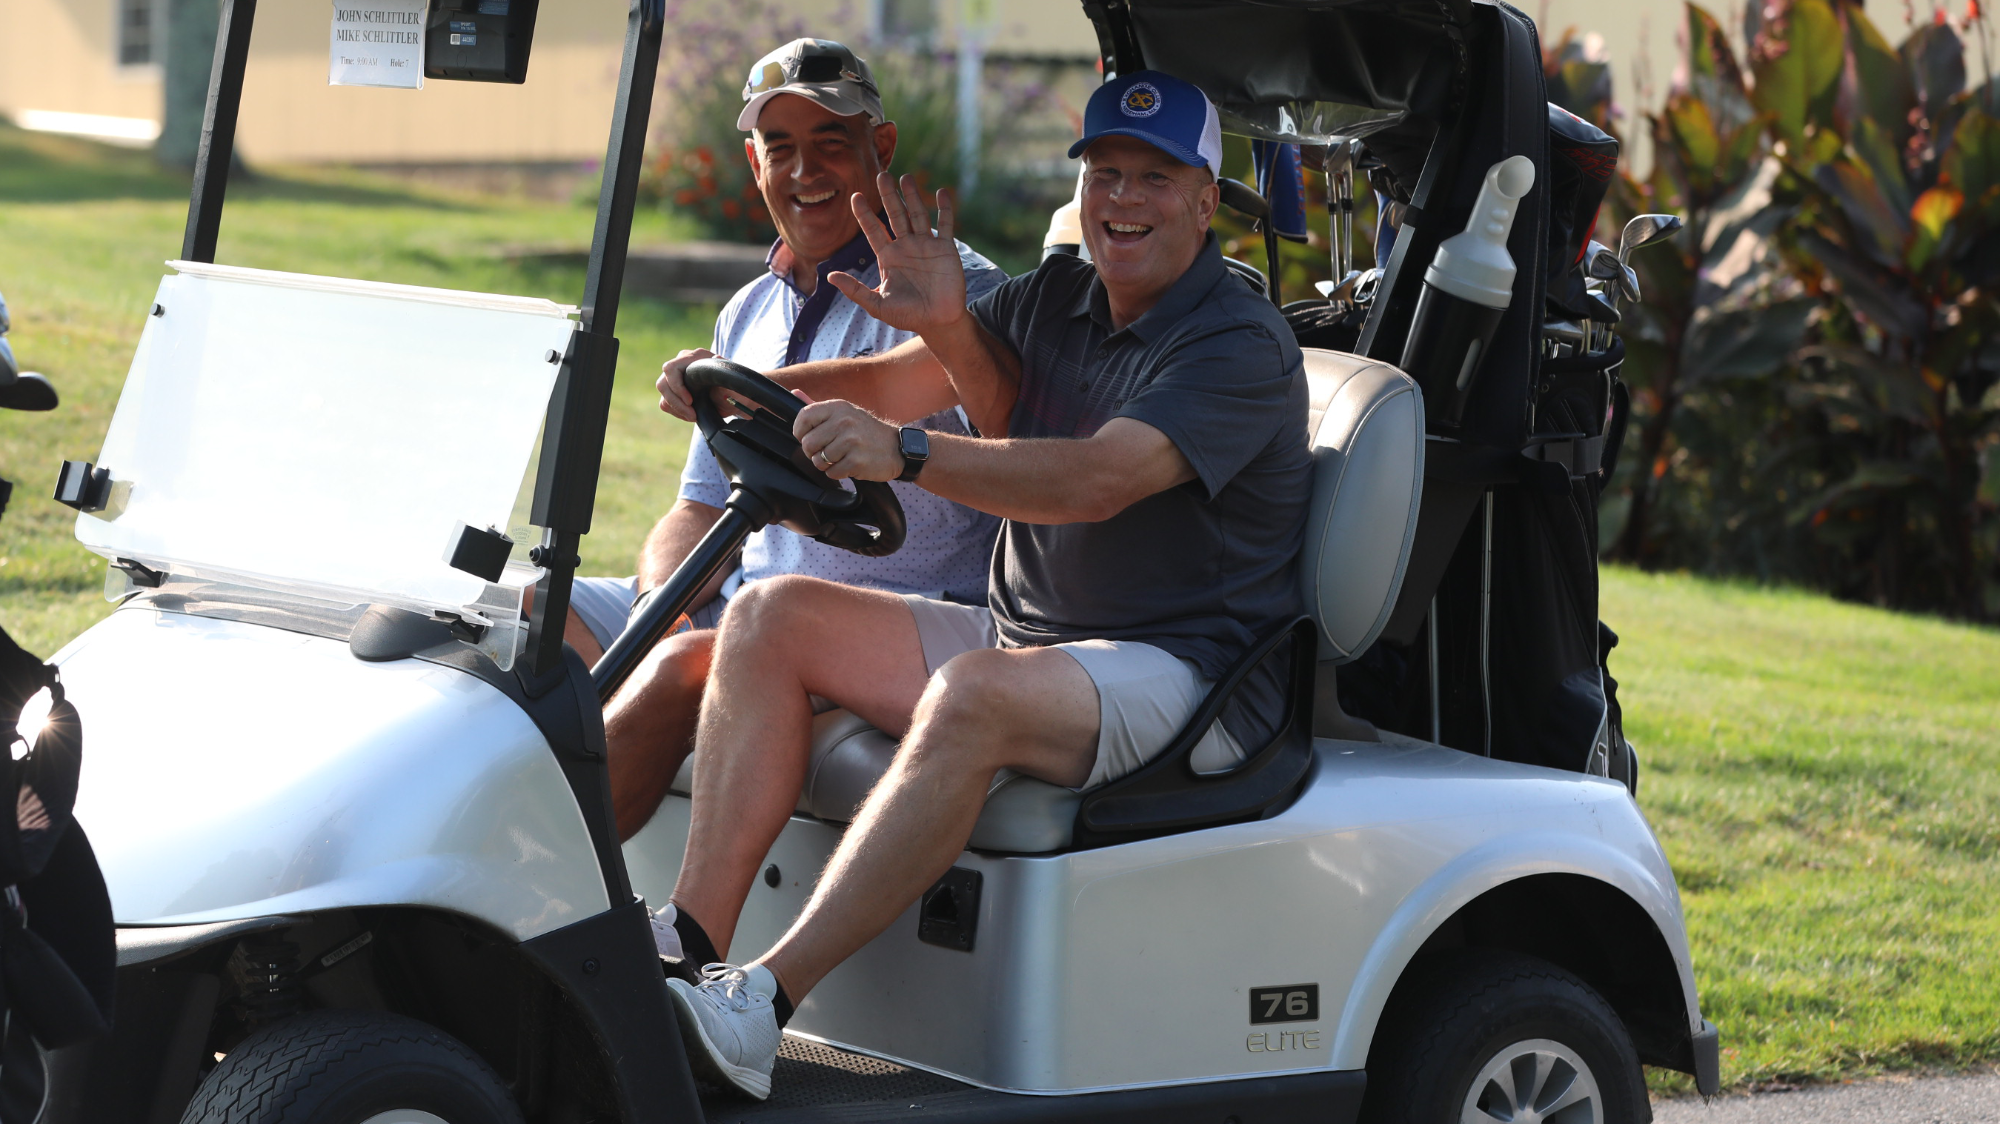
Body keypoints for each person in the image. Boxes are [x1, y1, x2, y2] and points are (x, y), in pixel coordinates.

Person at [651, 71, 1313, 1100]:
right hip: (1029, 636)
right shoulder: (1059, 293)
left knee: (973, 696)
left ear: (1202, 200)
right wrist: (728, 387)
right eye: (1102, 173)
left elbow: (1095, 478)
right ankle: (688, 944)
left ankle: (760, 1004)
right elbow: (908, 380)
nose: (1120, 199)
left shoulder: (1236, 342)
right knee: (768, 612)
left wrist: (906, 456)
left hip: (1187, 669)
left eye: (1152, 176)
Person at [563, 37, 1007, 842]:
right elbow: (697, 511)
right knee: (526, 615)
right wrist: (660, 605)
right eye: (782, 149)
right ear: (754, 163)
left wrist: (730, 387)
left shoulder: (959, 290)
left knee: (672, 667)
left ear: (882, 147)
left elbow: (912, 375)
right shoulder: (748, 310)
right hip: (749, 605)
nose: (805, 172)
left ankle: (545, 898)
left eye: (831, 145)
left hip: (891, 623)